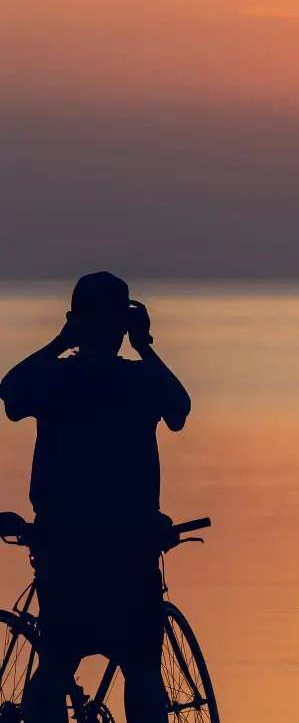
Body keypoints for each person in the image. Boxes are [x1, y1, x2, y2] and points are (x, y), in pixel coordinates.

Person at [0, 271, 191, 723]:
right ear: (124, 327)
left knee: (56, 666)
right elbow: (179, 410)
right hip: (130, 553)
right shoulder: (141, 382)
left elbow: (10, 394)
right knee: (142, 670)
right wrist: (145, 346)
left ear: (75, 323)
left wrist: (59, 342)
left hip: (63, 552)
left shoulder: (54, 380)